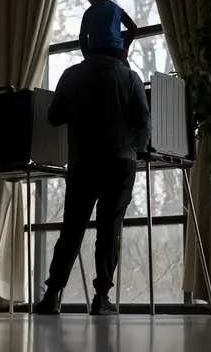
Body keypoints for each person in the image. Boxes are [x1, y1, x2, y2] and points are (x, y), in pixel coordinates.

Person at [35, 54, 151, 315]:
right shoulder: (129, 76)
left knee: (72, 227)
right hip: (120, 160)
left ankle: (52, 296)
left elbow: (54, 116)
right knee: (109, 228)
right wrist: (139, 150)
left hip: (82, 161)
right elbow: (143, 120)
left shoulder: (72, 74)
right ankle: (101, 298)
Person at [79, 0, 138, 67]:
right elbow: (133, 28)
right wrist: (125, 47)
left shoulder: (89, 13)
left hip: (96, 54)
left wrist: (88, 57)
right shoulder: (116, 9)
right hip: (117, 54)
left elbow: (82, 38)